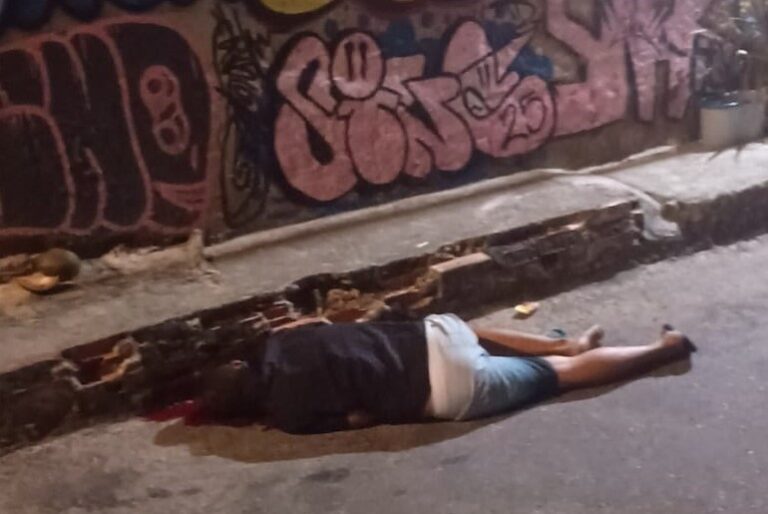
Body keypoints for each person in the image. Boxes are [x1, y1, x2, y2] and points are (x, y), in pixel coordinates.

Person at [199, 314, 696, 434]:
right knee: (469, 330)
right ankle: (563, 342)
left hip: (447, 391)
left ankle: (661, 350)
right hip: (434, 337)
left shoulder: (288, 414)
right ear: (241, 364)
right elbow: (326, 325)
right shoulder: (281, 341)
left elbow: (360, 418)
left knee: (562, 375)